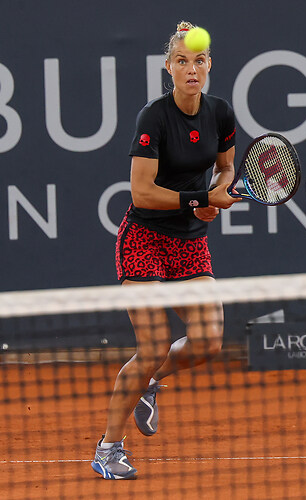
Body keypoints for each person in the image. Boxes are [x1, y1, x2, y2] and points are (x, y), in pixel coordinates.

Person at [91, 20, 241, 480]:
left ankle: (149, 383)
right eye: (182, 61)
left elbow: (228, 168)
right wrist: (201, 200)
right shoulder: (153, 118)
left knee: (210, 340)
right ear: (168, 68)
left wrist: (218, 191)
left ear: (208, 65)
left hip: (189, 244)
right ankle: (108, 448)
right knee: (153, 344)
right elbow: (141, 194)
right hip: (144, 241)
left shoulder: (220, 113)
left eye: (198, 60)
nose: (191, 69)